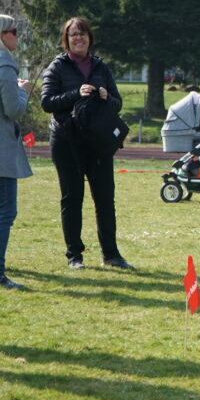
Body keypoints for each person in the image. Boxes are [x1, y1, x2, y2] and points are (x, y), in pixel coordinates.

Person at [40, 17, 133, 270]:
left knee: (105, 199)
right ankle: (75, 256)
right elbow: (47, 102)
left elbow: (118, 103)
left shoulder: (100, 67)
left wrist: (106, 97)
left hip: (98, 142)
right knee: (72, 198)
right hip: (66, 141)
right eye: (73, 35)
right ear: (66, 40)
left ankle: (111, 255)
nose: (78, 38)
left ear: (90, 38)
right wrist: (75, 93)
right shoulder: (57, 67)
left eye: (82, 34)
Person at [0, 15, 32, 289]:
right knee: (5, 212)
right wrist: (24, 92)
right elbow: (14, 109)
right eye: (14, 31)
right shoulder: (5, 64)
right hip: (1, 153)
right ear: (2, 35)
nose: (17, 36)